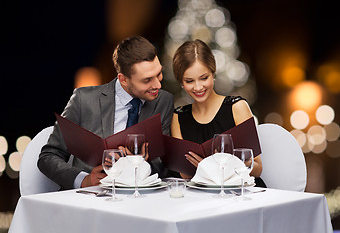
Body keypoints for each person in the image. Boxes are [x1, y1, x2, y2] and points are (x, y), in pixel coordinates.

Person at [38, 36, 175, 190]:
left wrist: (141, 163)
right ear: (123, 79)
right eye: (147, 80)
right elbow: (48, 157)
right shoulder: (84, 100)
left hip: (139, 198)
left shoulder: (164, 101)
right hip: (89, 198)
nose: (158, 84)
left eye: (159, 74)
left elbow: (163, 163)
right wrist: (84, 180)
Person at [171, 39, 265, 187]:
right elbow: (186, 174)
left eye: (204, 78)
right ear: (181, 83)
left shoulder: (237, 107)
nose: (198, 87)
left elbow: (257, 168)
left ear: (213, 73)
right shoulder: (179, 117)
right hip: (203, 195)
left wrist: (208, 167)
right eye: (189, 81)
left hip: (242, 193)